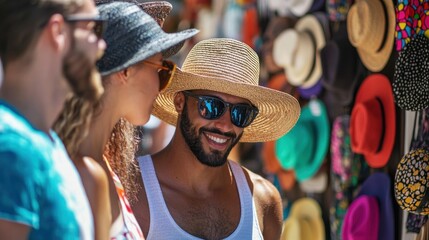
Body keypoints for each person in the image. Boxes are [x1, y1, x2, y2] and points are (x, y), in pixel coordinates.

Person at [53, 1, 198, 239]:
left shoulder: (101, 166)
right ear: (126, 70)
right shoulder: (80, 172)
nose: (162, 87)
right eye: (161, 70)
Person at [132, 38, 301, 240]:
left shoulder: (264, 200)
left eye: (241, 113)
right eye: (211, 106)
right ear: (180, 102)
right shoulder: (130, 190)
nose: (226, 125)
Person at [0, 0, 106, 239]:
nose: (101, 45)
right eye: (92, 28)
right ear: (57, 31)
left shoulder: (38, 141)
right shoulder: (12, 147)